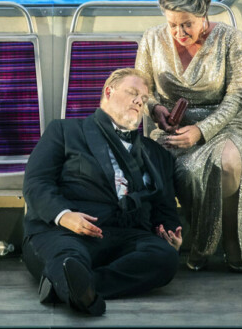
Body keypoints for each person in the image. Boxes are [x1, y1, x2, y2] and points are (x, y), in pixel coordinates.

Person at [136, 0, 242, 272]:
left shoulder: (230, 39)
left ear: (203, 14)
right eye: (172, 24)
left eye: (187, 25)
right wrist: (156, 110)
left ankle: (232, 244)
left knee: (231, 163)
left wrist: (201, 131)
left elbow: (236, 99)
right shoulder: (152, 39)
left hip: (225, 124)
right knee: (170, 166)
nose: (179, 33)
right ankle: (201, 242)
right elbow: (143, 89)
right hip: (171, 129)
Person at [22, 68, 183, 315]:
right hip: (68, 231)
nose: (140, 101)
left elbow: (165, 209)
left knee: (165, 258)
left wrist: (170, 234)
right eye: (133, 93)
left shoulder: (156, 153)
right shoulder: (64, 131)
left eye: (143, 98)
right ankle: (77, 284)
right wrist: (64, 215)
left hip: (127, 236)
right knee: (68, 256)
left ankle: (75, 286)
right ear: (109, 92)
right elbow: (36, 183)